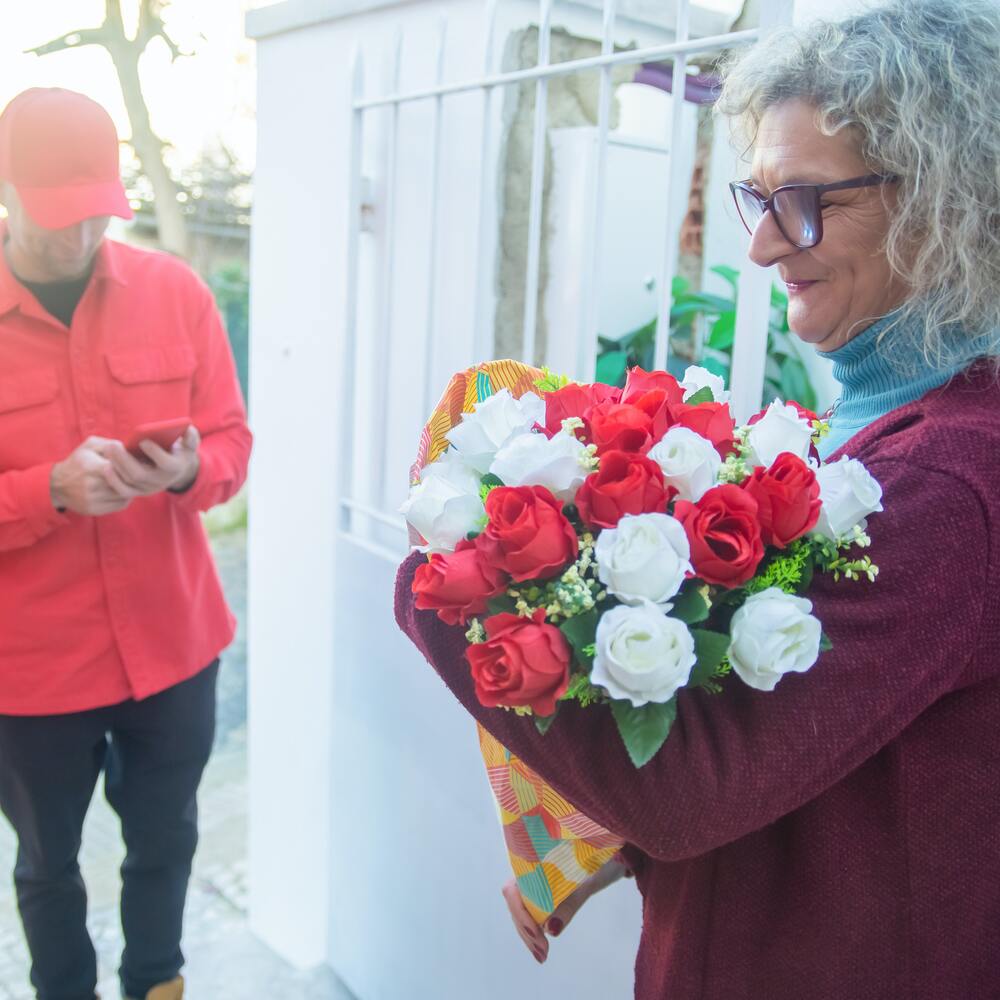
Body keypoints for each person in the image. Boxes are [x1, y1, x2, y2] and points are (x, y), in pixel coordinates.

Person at [395, 1, 1000, 996]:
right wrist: (613, 837)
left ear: (946, 200)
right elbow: (811, 736)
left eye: (805, 202)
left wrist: (443, 575)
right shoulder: (894, 423)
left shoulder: (948, 481)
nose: (763, 248)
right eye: (755, 200)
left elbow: (692, 786)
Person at [0, 88, 252, 1000]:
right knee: (46, 864)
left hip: (174, 644)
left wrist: (187, 472)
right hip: (31, 670)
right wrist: (45, 491)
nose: (76, 241)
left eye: (94, 218)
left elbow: (231, 440)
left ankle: (158, 982)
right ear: (8, 188)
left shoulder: (174, 292)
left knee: (166, 838)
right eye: (56, 219)